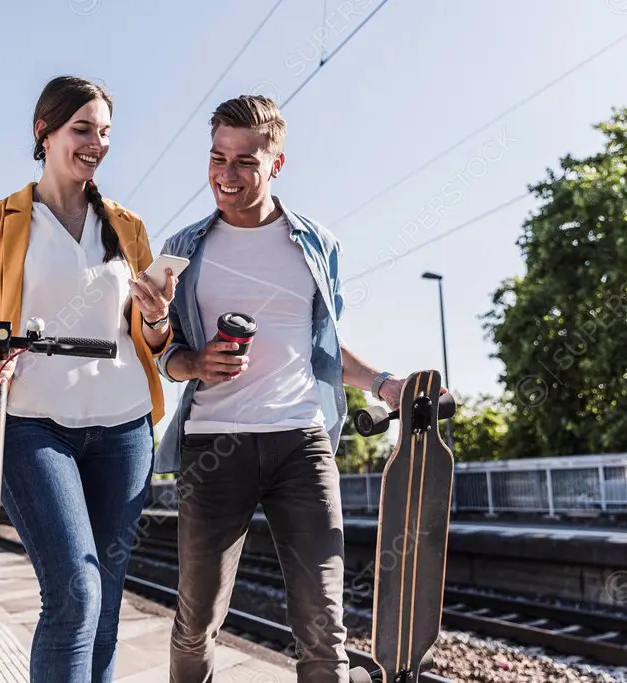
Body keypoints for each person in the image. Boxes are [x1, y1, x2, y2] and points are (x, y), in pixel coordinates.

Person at [154, 94, 444, 682]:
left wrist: (385, 383)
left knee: (323, 628)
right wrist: (196, 363)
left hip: (300, 444)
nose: (226, 176)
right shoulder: (184, 249)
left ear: (276, 164)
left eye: (244, 162)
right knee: (196, 621)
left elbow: (327, 348)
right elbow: (166, 355)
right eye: (217, 159)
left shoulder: (316, 244)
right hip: (214, 446)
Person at [0, 75, 177, 683]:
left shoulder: (125, 225)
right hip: (32, 424)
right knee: (76, 591)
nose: (95, 143)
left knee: (105, 604)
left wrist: (159, 315)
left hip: (124, 427)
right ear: (44, 132)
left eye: (105, 133)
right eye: (82, 129)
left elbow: (149, 340)